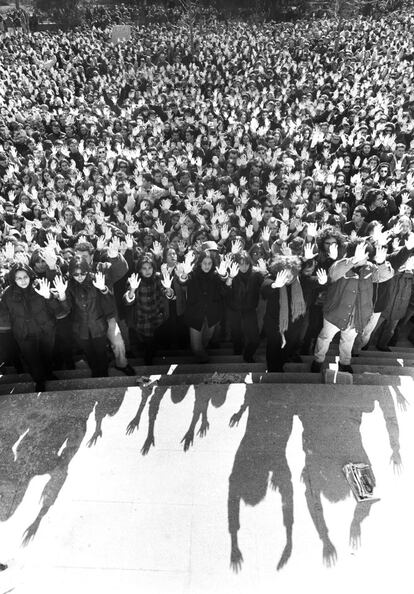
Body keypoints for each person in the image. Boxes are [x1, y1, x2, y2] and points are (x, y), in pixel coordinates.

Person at [0, 263, 68, 391]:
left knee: (47, 355)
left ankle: (48, 374)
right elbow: (4, 315)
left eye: (25, 276)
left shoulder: (39, 286)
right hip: (24, 333)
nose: (23, 281)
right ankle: (39, 380)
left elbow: (57, 309)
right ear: (14, 280)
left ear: (30, 275)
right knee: (32, 359)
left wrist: (48, 296)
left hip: (45, 330)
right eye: (19, 278)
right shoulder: (8, 294)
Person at [55, 259, 114, 378]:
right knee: (89, 353)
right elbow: (67, 309)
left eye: (83, 273)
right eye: (76, 274)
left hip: (98, 324)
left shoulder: (96, 279)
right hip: (80, 327)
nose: (80, 277)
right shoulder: (69, 285)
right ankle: (95, 372)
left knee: (101, 352)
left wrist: (103, 289)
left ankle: (104, 374)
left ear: (87, 271)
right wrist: (62, 295)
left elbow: (110, 302)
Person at [124, 253, 174, 365]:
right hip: (142, 318)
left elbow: (168, 294)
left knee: (153, 341)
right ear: (140, 269)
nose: (147, 271)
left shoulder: (158, 277)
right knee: (146, 341)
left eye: (150, 268)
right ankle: (148, 359)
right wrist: (132, 290)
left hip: (156, 316)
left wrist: (169, 289)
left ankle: (150, 356)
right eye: (144, 268)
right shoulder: (134, 280)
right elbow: (127, 301)